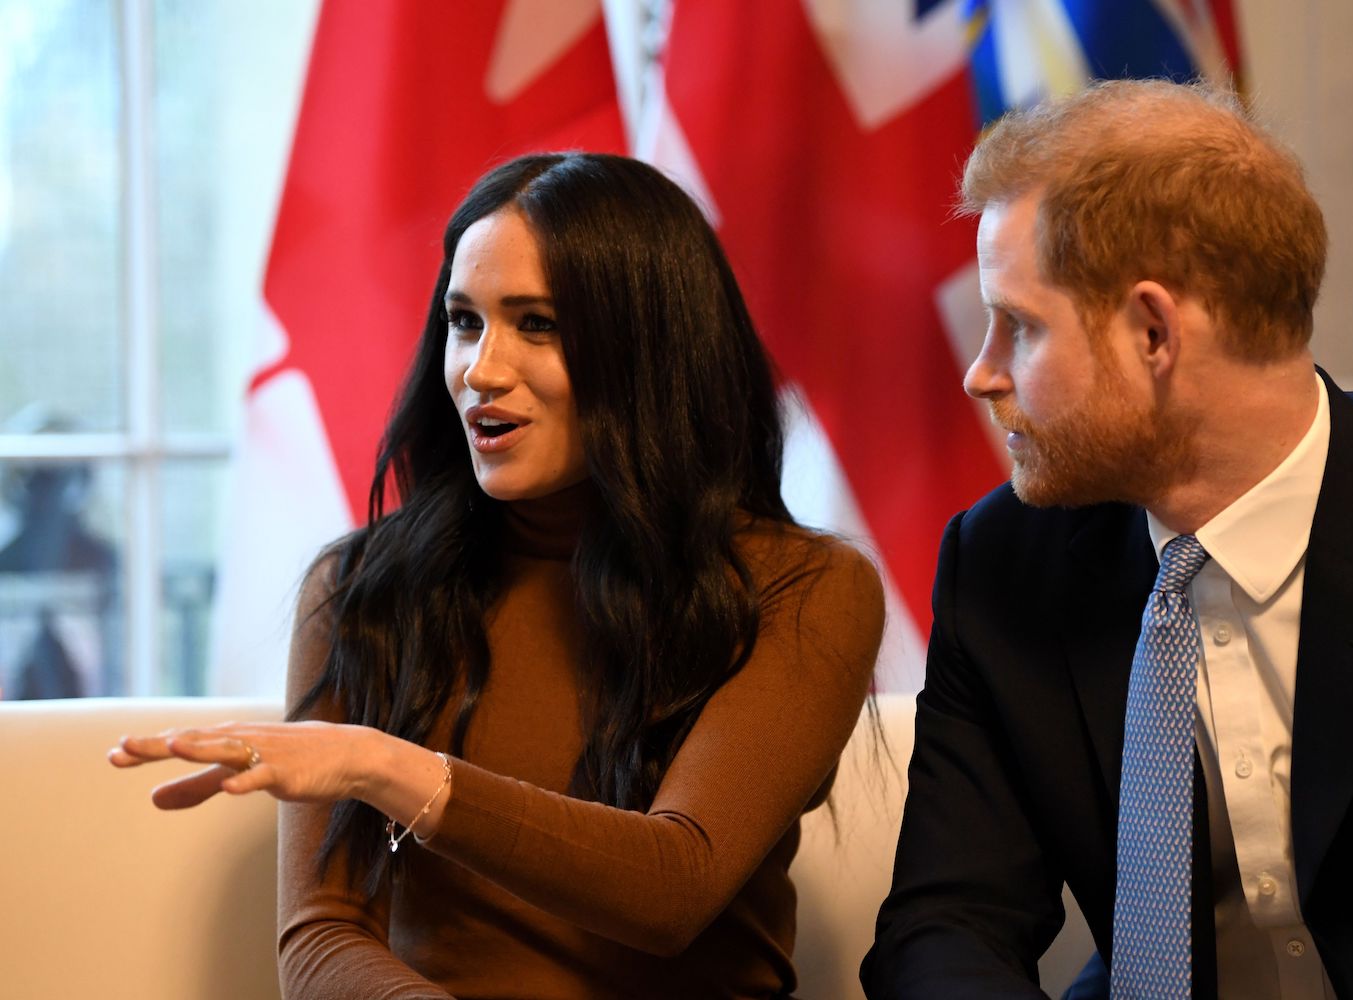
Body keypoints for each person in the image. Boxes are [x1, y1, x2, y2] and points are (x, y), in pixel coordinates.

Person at [110, 152, 885, 999]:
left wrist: (389, 768)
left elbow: (675, 886)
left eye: (538, 324)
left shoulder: (805, 587)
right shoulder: (363, 587)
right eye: (465, 321)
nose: (481, 369)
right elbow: (321, 940)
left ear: (652, 348)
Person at [860, 80, 1353, 1000]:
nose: (980, 374)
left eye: (1021, 327)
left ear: (1153, 331)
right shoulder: (1002, 565)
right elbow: (947, 924)